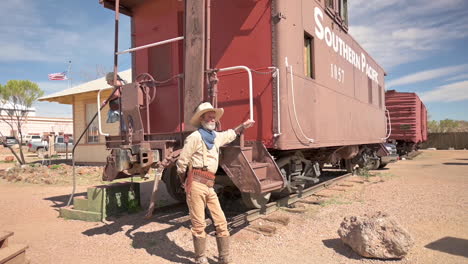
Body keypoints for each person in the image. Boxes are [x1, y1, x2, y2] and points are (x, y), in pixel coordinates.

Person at [176, 102, 254, 264]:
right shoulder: (194, 137)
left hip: (210, 184)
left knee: (221, 221)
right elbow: (182, 162)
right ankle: (200, 259)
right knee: (199, 224)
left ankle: (224, 258)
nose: (212, 118)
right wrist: (184, 182)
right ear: (201, 118)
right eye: (208, 115)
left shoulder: (215, 137)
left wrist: (243, 126)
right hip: (196, 182)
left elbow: (231, 133)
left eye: (213, 116)